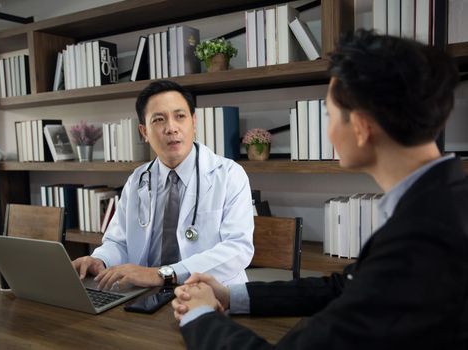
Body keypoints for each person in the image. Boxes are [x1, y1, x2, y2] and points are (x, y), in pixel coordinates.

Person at [172, 30, 468, 349]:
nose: (328, 131)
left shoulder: (422, 239)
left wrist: (199, 315)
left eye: (329, 115)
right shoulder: (443, 200)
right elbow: (345, 286)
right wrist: (229, 295)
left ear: (360, 126)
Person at [72, 80, 254, 290]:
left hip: (211, 294)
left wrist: (162, 274)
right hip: (145, 293)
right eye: (159, 119)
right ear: (144, 132)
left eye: (180, 116)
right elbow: (118, 241)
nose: (171, 128)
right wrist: (101, 259)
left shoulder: (229, 175)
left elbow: (238, 249)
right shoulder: (137, 179)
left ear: (194, 123)